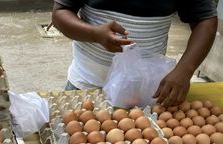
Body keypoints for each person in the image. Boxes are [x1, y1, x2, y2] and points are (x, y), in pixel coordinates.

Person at [52, 0, 218, 106]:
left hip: (144, 91)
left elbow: (205, 21)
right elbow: (60, 13)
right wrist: (94, 34)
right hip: (87, 84)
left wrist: (185, 70)